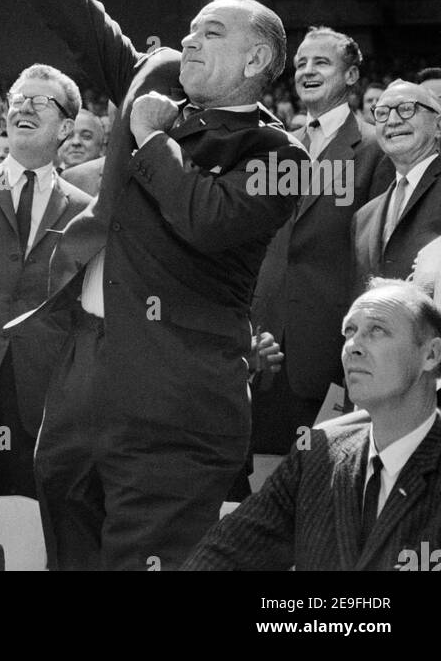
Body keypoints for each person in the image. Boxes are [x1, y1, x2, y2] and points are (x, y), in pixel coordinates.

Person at [0, 0, 307, 571]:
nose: (189, 42)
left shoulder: (280, 153)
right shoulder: (153, 81)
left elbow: (205, 218)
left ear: (257, 59)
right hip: (80, 397)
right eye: (191, 29)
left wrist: (151, 138)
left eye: (213, 33)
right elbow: (80, 19)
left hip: (175, 413)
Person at [183, 279, 441, 571]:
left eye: (377, 330)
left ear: (431, 355)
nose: (353, 346)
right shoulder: (318, 451)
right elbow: (227, 550)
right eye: (350, 332)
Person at [252, 28, 393, 453]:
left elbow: (375, 261)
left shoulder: (375, 150)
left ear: (351, 77)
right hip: (263, 346)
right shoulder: (276, 147)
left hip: (330, 347)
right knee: (258, 486)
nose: (308, 71)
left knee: (319, 493)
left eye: (322, 63)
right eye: (301, 64)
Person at [0, 64, 92, 498]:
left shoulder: (87, 212)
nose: (24, 109)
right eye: (18, 100)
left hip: (45, 400)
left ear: (66, 127)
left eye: (40, 102)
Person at [352, 81, 441, 291]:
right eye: (381, 113)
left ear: (438, 126)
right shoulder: (363, 218)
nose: (392, 120)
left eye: (407, 109)